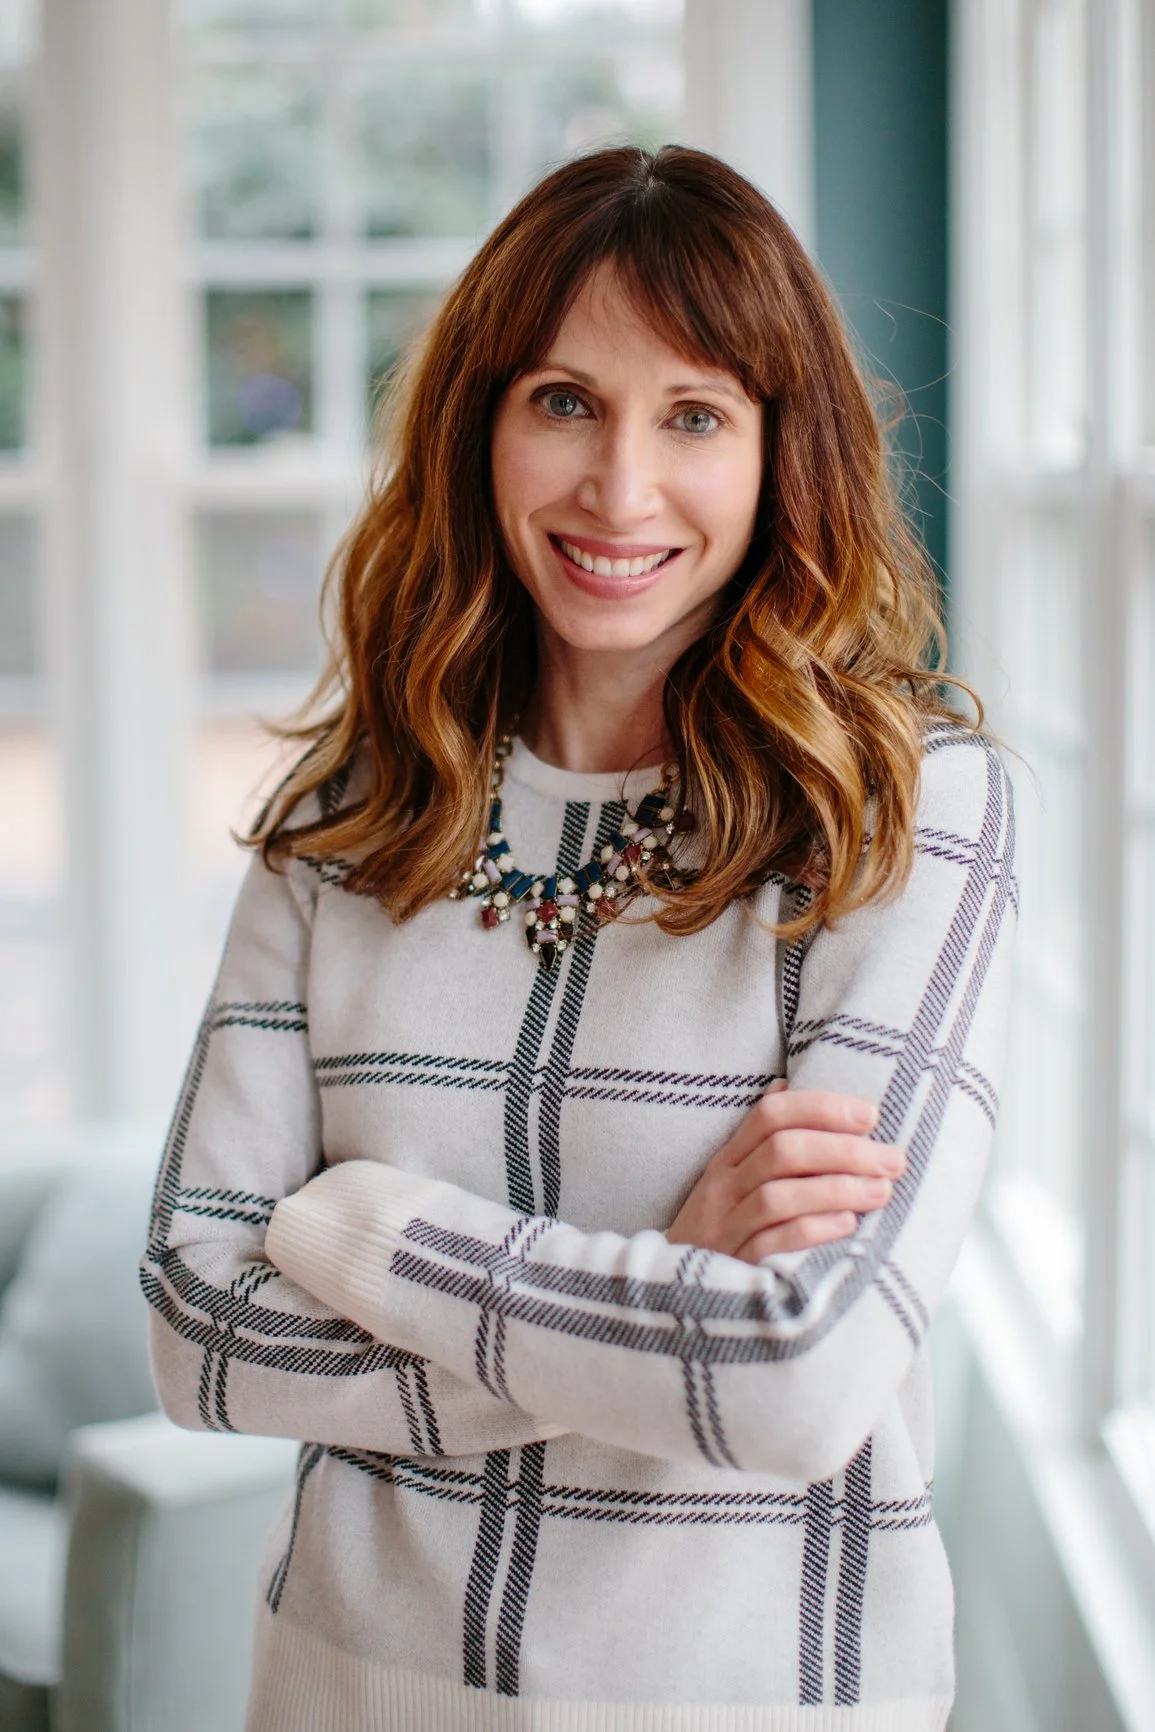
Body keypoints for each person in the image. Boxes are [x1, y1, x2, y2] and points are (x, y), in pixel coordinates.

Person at [140, 145, 1016, 1732]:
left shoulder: (904, 808)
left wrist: (361, 1229)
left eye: (693, 416)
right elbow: (199, 1332)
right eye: (563, 401)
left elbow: (796, 1379)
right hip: (352, 1688)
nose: (618, 487)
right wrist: (673, 1285)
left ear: (780, 451)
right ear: (478, 424)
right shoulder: (340, 823)